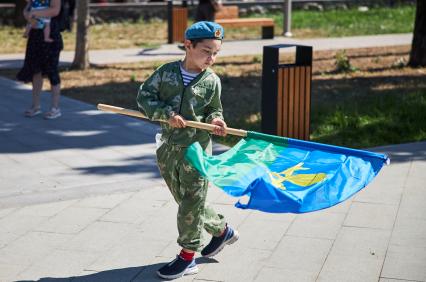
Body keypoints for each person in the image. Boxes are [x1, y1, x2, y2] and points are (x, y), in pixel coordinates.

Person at [137, 21, 239, 280]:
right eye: (206, 51)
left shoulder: (212, 81)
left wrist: (217, 121)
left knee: (191, 204)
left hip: (196, 151)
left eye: (216, 53)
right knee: (186, 201)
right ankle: (221, 230)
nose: (212, 58)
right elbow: (144, 97)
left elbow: (215, 109)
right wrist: (165, 114)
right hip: (168, 148)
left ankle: (187, 256)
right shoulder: (166, 73)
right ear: (188, 45)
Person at [17, 0, 63, 119]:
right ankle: (36, 106)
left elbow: (55, 10)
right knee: (35, 70)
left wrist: (35, 13)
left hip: (50, 34)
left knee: (52, 70)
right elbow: (26, 12)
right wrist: (29, 14)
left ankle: (55, 108)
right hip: (35, 35)